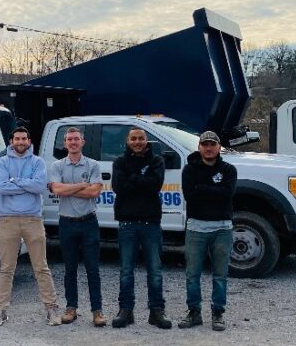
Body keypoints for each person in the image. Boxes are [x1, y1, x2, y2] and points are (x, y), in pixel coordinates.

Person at [0, 127, 62, 327]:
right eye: (17, 139)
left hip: (33, 219)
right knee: (6, 268)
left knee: (41, 267)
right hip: (8, 220)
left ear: (29, 141)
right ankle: (0, 310)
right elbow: (1, 188)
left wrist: (15, 180)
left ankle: (52, 308)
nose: (20, 142)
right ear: (11, 141)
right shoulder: (2, 162)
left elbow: (39, 187)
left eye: (24, 138)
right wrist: (25, 184)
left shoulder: (37, 162)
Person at [111, 127, 171, 329]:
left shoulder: (156, 161)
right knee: (126, 271)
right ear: (127, 141)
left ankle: (156, 312)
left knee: (155, 271)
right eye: (133, 138)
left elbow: (156, 184)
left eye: (141, 138)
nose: (137, 142)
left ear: (147, 141)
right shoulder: (119, 161)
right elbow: (119, 187)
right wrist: (141, 181)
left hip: (150, 223)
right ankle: (125, 311)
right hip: (127, 223)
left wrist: (132, 178)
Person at [179, 130, 237, 332]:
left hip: (222, 228)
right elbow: (190, 196)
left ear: (219, 147)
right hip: (196, 227)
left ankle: (218, 313)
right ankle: (194, 312)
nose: (209, 148)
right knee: (192, 274)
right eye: (205, 144)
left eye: (212, 144)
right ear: (199, 147)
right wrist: (214, 190)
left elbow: (227, 194)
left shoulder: (229, 170)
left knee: (220, 275)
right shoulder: (189, 170)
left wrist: (203, 188)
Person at [48, 127, 105, 327]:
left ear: (82, 142)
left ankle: (97, 311)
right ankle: (71, 308)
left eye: (76, 139)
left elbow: (94, 193)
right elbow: (56, 189)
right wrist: (82, 185)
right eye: (69, 140)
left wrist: (68, 189)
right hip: (67, 223)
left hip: (89, 222)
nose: (73, 143)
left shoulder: (93, 165)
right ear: (65, 144)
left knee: (92, 268)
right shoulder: (57, 166)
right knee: (70, 268)